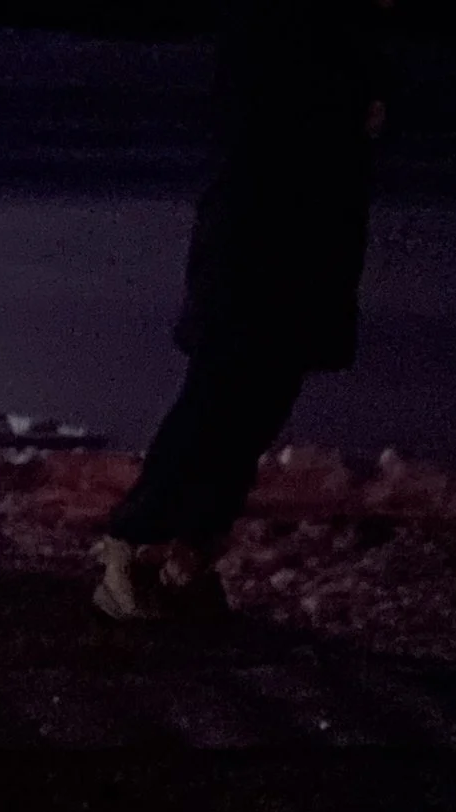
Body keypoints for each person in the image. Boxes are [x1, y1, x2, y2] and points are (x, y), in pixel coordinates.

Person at [95, 0, 394, 622]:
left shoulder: (331, 37)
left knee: (257, 398)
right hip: (261, 235)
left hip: (302, 235)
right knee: (223, 389)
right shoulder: (276, 30)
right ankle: (136, 541)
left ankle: (187, 549)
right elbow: (267, 130)